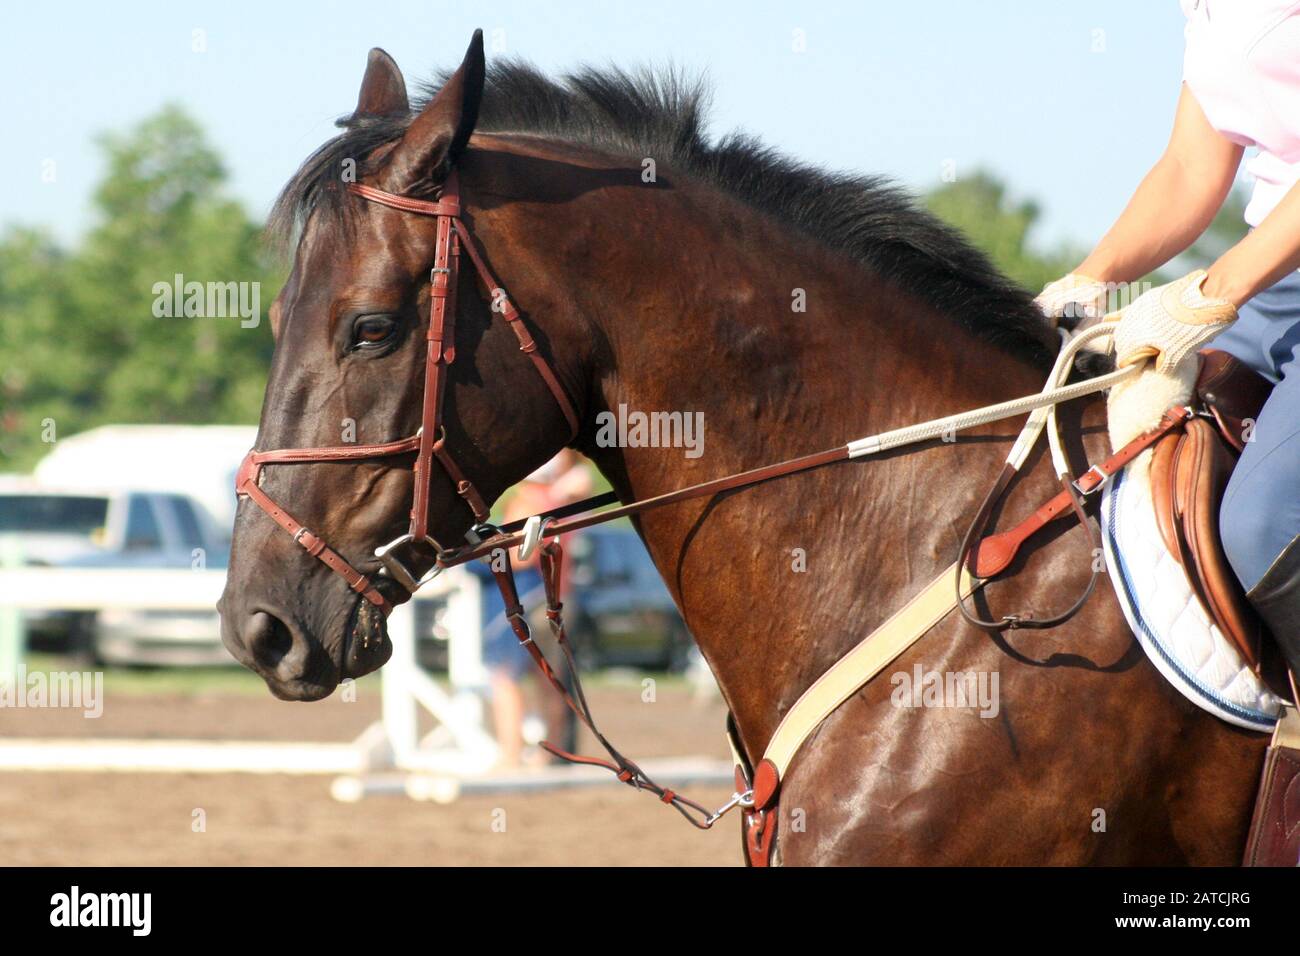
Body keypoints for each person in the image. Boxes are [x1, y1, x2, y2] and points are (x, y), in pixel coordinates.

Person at [1034, 1, 1300, 683]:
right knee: (1146, 454)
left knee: (1261, 524)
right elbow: (1190, 166)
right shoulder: (1208, 12)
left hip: (1261, 272)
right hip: (1277, 281)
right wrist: (1088, 281)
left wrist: (1213, 292)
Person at [474, 449, 594, 767]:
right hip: (557, 596)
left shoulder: (531, 501)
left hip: (528, 597)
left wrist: (481, 555)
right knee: (549, 681)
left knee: (504, 677)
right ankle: (551, 754)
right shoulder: (561, 503)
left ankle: (511, 754)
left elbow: (518, 557)